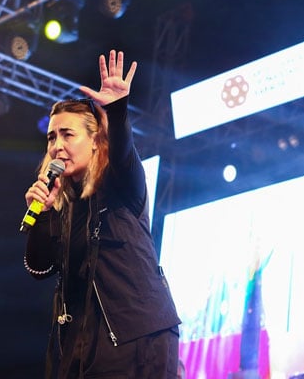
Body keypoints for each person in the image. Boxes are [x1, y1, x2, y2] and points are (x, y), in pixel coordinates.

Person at [23, 50, 181, 378]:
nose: (56, 145)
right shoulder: (63, 205)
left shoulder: (121, 185)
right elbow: (40, 267)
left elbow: (123, 152)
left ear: (95, 141)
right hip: (79, 341)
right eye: (52, 137)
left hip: (133, 335)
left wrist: (117, 110)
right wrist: (42, 214)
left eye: (68, 134)